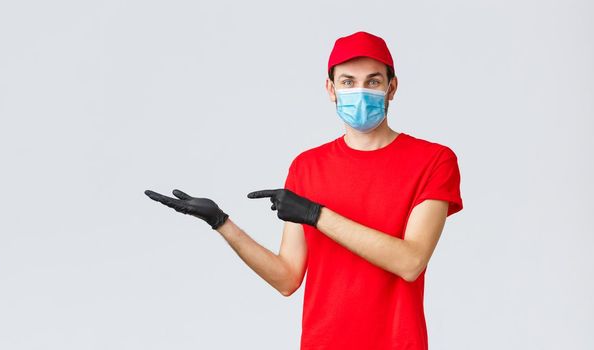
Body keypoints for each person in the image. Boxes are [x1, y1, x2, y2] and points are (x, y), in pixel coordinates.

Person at [144, 31, 463, 349]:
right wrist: (221, 223)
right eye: (348, 82)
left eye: (373, 82)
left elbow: (410, 262)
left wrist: (316, 215)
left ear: (391, 88)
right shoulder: (307, 167)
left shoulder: (433, 161)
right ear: (331, 89)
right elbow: (287, 278)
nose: (361, 92)